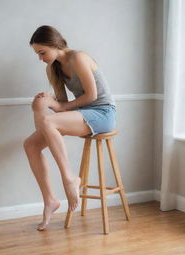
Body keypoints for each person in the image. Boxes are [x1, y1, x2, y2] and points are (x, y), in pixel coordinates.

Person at [23, 25, 116, 231]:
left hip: (103, 113)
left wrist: (61, 106)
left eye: (42, 52)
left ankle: (69, 178)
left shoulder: (78, 58)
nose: (40, 58)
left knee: (47, 123)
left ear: (55, 45)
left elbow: (91, 96)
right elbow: (62, 106)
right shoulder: (52, 68)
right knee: (30, 144)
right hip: (83, 114)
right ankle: (50, 201)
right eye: (37, 54)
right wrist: (48, 100)